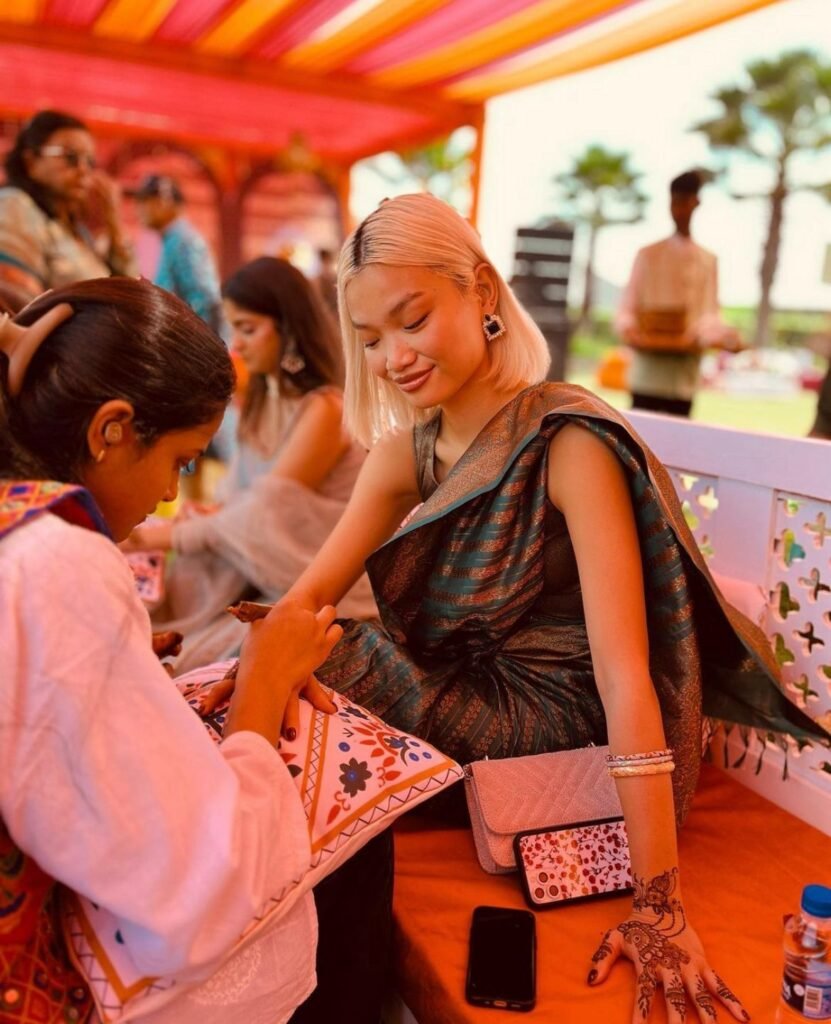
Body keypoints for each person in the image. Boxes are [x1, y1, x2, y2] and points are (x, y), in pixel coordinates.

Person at [261, 193, 824, 1021]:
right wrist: (256, 676)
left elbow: (625, 674)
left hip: (561, 721)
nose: (393, 358)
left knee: (329, 678)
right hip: (465, 689)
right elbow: (302, 599)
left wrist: (658, 903)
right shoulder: (405, 452)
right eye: (370, 339)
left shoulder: (567, 441)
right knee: (292, 673)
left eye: (412, 320)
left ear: (482, 293)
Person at [0, 278, 393, 1024]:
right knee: (350, 829)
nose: (171, 494)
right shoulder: (56, 562)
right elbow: (198, 880)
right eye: (180, 462)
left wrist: (128, 666)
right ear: (111, 430)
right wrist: (263, 686)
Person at [126, 256, 375, 672]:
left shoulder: (324, 410)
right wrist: (209, 514)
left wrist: (164, 537)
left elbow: (263, 518)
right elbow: (239, 504)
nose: (236, 345)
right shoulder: (260, 403)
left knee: (195, 653)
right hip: (255, 571)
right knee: (163, 589)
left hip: (305, 578)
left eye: (248, 329)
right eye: (233, 329)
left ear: (289, 329)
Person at [615, 170, 741, 417]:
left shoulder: (708, 260)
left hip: (684, 380)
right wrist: (630, 329)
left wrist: (712, 335)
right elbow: (626, 308)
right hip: (647, 377)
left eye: (685, 203)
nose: (679, 211)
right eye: (674, 203)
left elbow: (710, 313)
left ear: (696, 203)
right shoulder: (648, 255)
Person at [0, 110, 136, 307]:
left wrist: (113, 223)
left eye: (90, 161)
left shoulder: (73, 228)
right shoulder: (14, 204)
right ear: (31, 162)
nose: (83, 170)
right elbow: (18, 307)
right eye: (71, 157)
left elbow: (131, 295)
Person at [130, 173, 223, 332]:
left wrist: (197, 343)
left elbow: (206, 301)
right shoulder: (173, 240)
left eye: (146, 201)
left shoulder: (184, 241)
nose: (139, 209)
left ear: (165, 201)